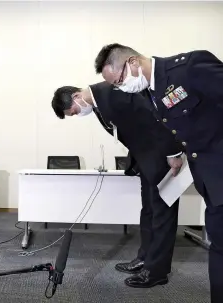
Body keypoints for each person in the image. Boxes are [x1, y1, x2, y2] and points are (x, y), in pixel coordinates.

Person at [94, 43, 223, 302]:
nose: (120, 88)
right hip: (209, 178)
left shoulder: (189, 67)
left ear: (132, 63)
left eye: (119, 81)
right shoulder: (149, 93)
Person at [51, 82, 183, 288]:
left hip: (162, 158)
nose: (77, 114)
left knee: (162, 215)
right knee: (148, 211)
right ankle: (145, 259)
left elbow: (155, 117)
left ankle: (157, 271)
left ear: (77, 96)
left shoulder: (111, 93)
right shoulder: (98, 104)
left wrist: (173, 153)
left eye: (74, 112)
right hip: (146, 161)